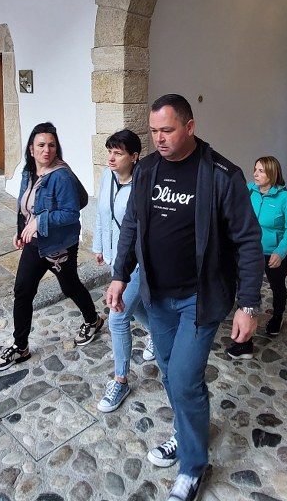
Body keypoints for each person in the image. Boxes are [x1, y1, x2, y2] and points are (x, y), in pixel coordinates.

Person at [106, 94, 264, 501]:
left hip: (200, 297)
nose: (159, 138)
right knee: (168, 369)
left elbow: (248, 241)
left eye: (168, 130)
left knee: (183, 378)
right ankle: (186, 431)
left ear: (189, 127)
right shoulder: (146, 170)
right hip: (157, 295)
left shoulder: (221, 175)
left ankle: (193, 467)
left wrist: (248, 304)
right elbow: (132, 225)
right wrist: (119, 275)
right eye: (154, 131)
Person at [0, 122, 104, 372]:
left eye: (51, 145)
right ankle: (20, 346)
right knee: (23, 291)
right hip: (35, 243)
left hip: (59, 246)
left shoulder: (61, 176)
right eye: (41, 145)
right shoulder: (28, 171)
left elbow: (71, 214)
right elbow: (24, 204)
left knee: (70, 285)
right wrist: (21, 229)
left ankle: (93, 320)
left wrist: (39, 222)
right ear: (31, 149)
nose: (47, 150)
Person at [92, 129, 155, 413]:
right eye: (110, 152)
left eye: (118, 153)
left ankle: (120, 380)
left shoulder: (145, 185)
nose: (111, 158)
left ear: (134, 156)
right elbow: (101, 213)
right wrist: (99, 246)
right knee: (134, 306)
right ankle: (160, 333)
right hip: (116, 259)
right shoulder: (108, 176)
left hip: (138, 262)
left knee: (117, 317)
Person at [227, 156, 287, 360]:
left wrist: (280, 252)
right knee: (247, 291)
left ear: (272, 174)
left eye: (261, 171)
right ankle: (244, 342)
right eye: (255, 169)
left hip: (273, 253)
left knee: (277, 286)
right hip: (249, 252)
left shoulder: (285, 198)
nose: (255, 174)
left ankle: (277, 315)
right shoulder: (249, 190)